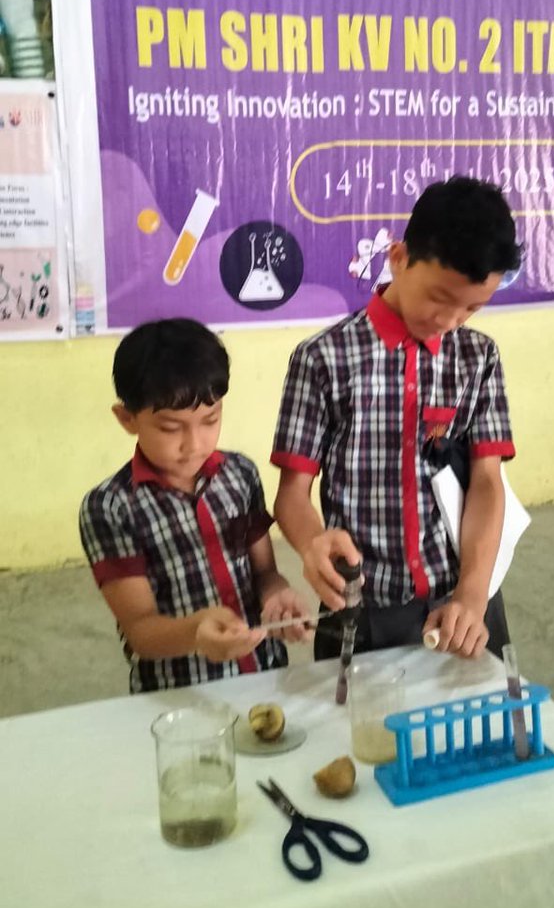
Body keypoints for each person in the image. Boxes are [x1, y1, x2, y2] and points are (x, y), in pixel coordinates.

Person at [271, 176, 522, 662]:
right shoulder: (323, 359)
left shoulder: (478, 357)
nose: (451, 320)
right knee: (367, 733)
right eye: (439, 298)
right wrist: (311, 544)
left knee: (475, 729)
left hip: (462, 602)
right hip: (362, 607)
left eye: (472, 306)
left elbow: (488, 482)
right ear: (399, 259)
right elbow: (291, 493)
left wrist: (473, 592)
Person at [80, 318, 310, 693]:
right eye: (171, 429)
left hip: (266, 676)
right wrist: (196, 634)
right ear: (127, 419)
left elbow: (265, 572)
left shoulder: (240, 474)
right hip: (181, 693)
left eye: (210, 420)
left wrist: (278, 596)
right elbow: (140, 630)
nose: (194, 443)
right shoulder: (110, 508)